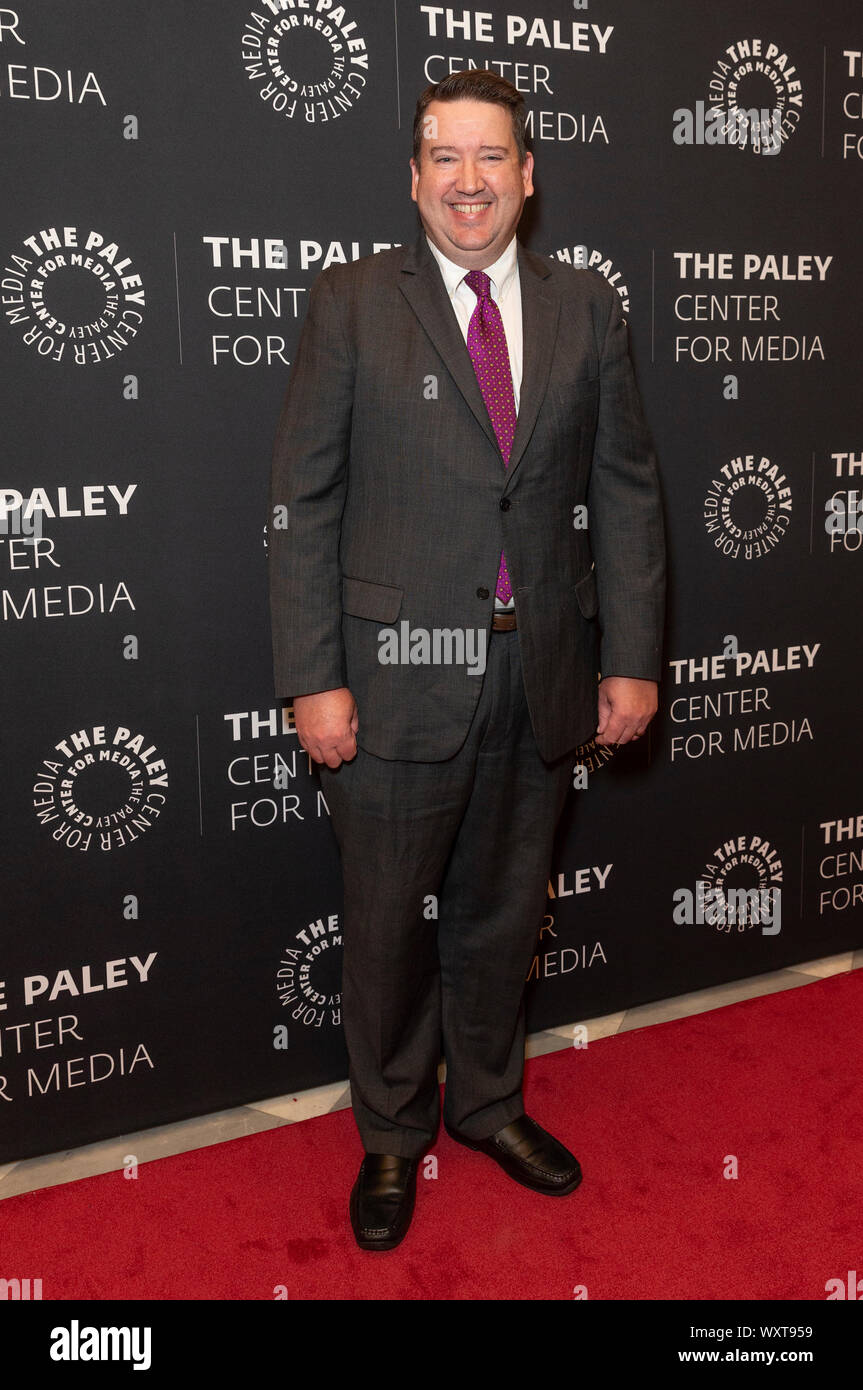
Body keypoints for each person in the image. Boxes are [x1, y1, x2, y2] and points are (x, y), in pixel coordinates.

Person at [268, 69, 665, 1252]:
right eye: (445, 157)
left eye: (491, 157)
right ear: (414, 176)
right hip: (390, 681)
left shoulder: (586, 308)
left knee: (499, 918)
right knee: (387, 922)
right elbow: (303, 499)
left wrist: (630, 657)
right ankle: (393, 1133)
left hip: (536, 671)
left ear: (527, 175)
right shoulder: (349, 303)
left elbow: (626, 494)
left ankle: (488, 1103)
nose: (468, 181)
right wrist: (312, 676)